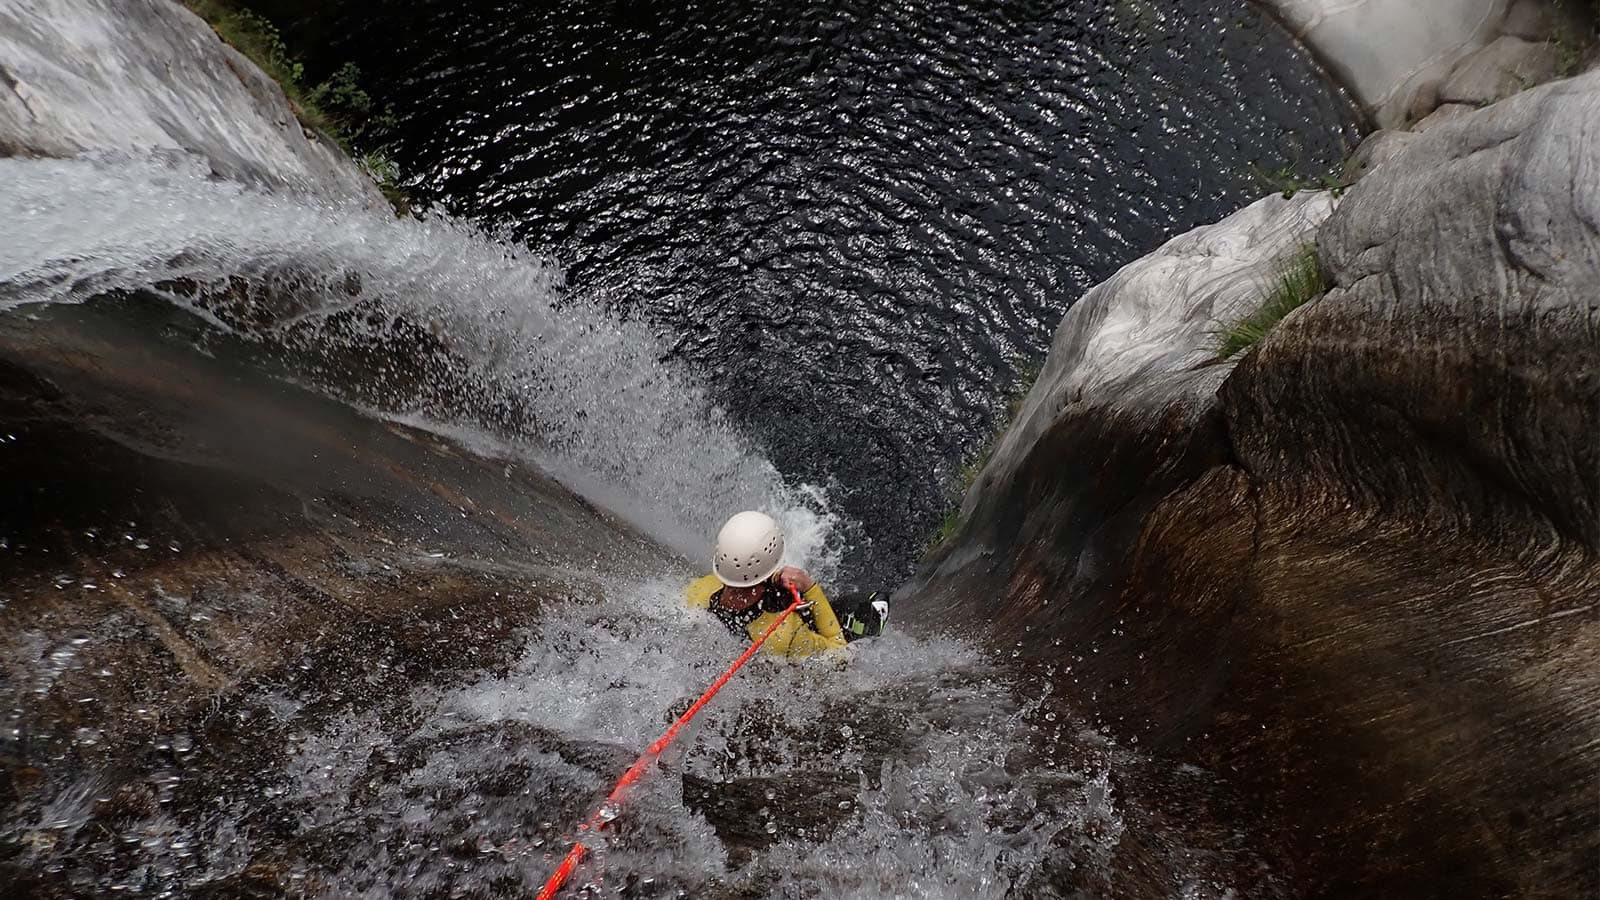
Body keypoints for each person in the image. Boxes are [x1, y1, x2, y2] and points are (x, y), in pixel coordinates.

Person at [685, 511, 888, 658]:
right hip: (782, 648)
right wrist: (810, 588)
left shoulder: (698, 590)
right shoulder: (786, 633)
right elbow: (839, 653)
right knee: (872, 606)